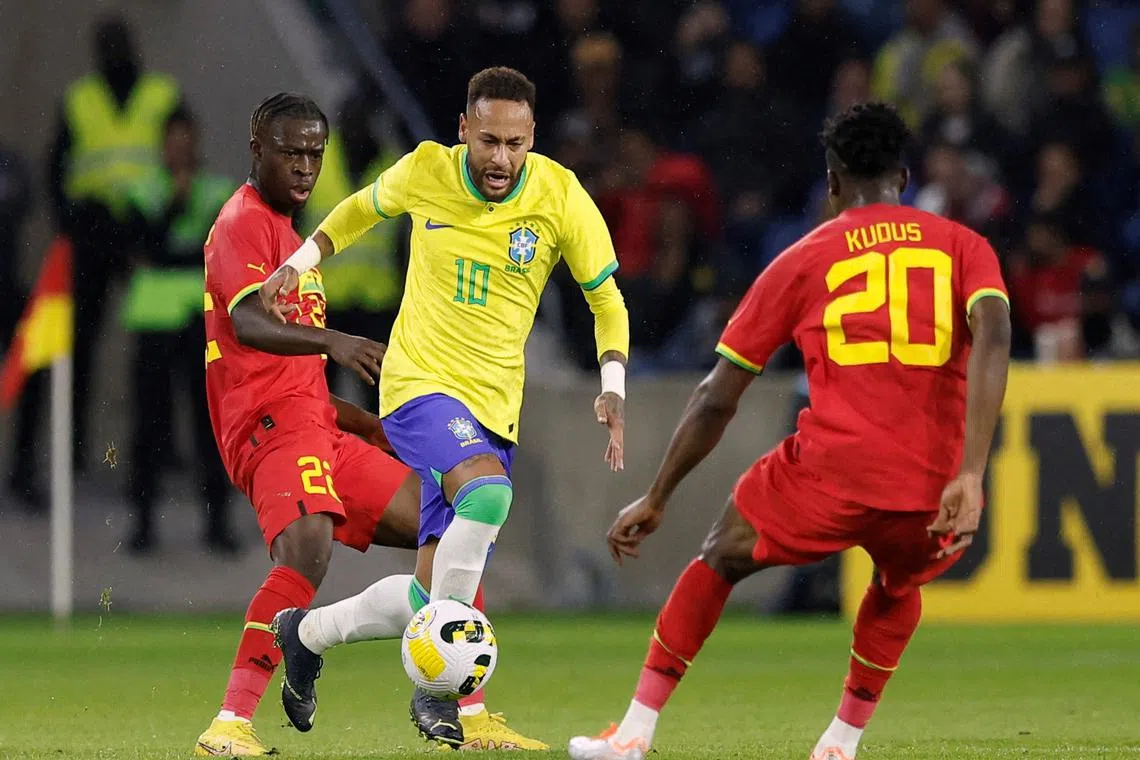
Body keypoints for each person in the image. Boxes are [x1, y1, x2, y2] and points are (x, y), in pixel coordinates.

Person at [567, 102, 1011, 760]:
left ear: (832, 184)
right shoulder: (962, 246)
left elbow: (718, 396)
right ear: (905, 177)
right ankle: (840, 744)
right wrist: (972, 473)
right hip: (932, 481)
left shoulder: (803, 259)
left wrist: (658, 494)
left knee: (720, 555)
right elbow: (996, 336)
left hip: (833, 471)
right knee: (898, 583)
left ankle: (634, 733)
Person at [259, 67, 630, 749]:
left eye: (515, 143)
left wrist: (613, 384)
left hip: (494, 408)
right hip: (418, 384)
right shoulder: (428, 169)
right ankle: (439, 698)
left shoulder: (559, 194)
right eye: (487, 140)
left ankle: (305, 635)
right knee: (487, 495)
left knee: (428, 595)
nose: (500, 158)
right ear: (463, 130)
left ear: (533, 137)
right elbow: (360, 210)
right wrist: (302, 259)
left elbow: (605, 298)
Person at [193, 93, 425, 757]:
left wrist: (364, 422)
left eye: (313, 154)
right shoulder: (243, 222)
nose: (303, 166)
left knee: (444, 524)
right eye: (290, 151)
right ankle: (230, 724)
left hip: (314, 424)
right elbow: (248, 323)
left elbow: (300, 379)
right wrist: (335, 342)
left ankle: (443, 693)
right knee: (307, 548)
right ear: (256, 150)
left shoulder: (291, 239)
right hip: (267, 428)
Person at [47, 16, 182, 467]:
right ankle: (76, 447)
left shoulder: (162, 96)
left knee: (161, 343)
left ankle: (163, 448)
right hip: (94, 231)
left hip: (149, 230)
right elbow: (56, 166)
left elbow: (182, 152)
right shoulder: (80, 99)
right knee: (83, 342)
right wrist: (68, 224)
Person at [121, 107, 238, 554]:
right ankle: (143, 523)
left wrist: (171, 246)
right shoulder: (143, 191)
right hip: (154, 321)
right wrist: (176, 205)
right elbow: (140, 246)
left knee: (210, 425)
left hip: (201, 322)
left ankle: (218, 523)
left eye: (187, 139)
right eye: (173, 139)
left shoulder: (217, 191)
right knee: (148, 427)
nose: (181, 148)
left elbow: (214, 250)